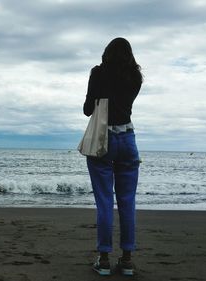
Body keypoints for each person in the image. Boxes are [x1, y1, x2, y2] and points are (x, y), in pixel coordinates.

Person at [83, 37, 143, 276]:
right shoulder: (135, 77)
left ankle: (105, 259)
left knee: (105, 201)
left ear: (106, 54)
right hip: (128, 139)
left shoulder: (98, 73)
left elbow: (88, 109)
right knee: (127, 202)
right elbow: (124, 105)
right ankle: (127, 260)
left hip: (103, 140)